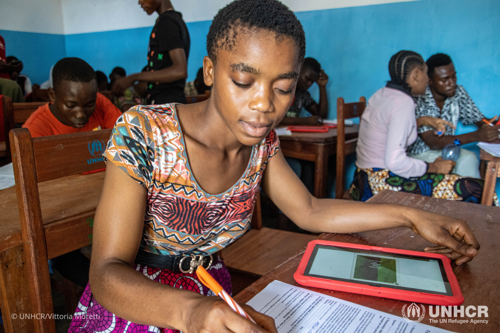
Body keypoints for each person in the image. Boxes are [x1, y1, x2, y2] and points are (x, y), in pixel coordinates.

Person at [69, 3, 480, 332]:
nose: (265, 104)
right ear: (211, 72)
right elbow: (106, 272)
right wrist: (194, 313)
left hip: (216, 300)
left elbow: (310, 210)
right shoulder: (143, 133)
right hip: (138, 308)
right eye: (244, 82)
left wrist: (412, 216)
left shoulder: (261, 143)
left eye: (283, 87)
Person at [351, 50, 498, 206]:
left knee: (462, 179)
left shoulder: (381, 94)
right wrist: (434, 167)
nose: (428, 79)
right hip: (383, 183)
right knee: (479, 190)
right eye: (426, 74)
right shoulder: (403, 102)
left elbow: (390, 127)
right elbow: (395, 162)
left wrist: (422, 121)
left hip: (362, 179)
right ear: (416, 75)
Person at [407, 53, 500, 178]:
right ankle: (467, 195)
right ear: (430, 81)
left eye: (453, 77)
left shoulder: (458, 92)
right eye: (444, 80)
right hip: (419, 154)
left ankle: (470, 196)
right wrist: (477, 135)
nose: (451, 83)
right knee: (467, 159)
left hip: (448, 150)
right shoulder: (419, 98)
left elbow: (481, 121)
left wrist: (493, 125)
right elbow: (432, 141)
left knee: (469, 158)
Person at [112, 0, 190, 104]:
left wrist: (134, 77)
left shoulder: (167, 22)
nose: (140, 2)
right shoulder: (172, 20)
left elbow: (180, 71)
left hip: (166, 106)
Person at [23, 57, 122, 138]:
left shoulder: (99, 101)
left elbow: (124, 137)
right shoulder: (35, 130)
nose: (80, 115)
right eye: (70, 105)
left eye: (89, 105)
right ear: (53, 95)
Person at [279, 57, 328, 126]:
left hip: (291, 135)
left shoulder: (302, 94)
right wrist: (304, 121)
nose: (309, 84)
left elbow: (321, 116)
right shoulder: (279, 88)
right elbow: (272, 119)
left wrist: (322, 87)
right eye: (307, 79)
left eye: (312, 82)